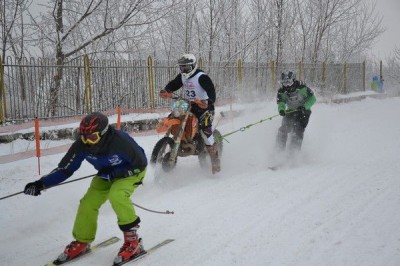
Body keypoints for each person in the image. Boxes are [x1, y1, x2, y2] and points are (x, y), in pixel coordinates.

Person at [23, 112, 148, 265]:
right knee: (88, 203)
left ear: (103, 133)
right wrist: (41, 184)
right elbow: (65, 169)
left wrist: (116, 173)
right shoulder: (81, 146)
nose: (88, 142)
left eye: (92, 137)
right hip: (105, 175)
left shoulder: (120, 141)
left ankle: (133, 242)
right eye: (83, 137)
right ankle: (82, 241)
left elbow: (141, 164)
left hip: (130, 173)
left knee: (117, 195)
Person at [159, 53, 220, 174]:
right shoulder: (182, 76)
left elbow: (211, 92)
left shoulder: (202, 77)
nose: (183, 70)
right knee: (173, 114)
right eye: (181, 67)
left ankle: (215, 161)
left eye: (186, 67)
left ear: (193, 66)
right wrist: (166, 90)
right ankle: (178, 137)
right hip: (188, 103)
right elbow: (174, 84)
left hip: (204, 107)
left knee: (205, 131)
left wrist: (207, 101)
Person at [276, 70, 316, 152]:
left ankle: (293, 154)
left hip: (303, 111)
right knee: (283, 130)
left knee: (297, 130)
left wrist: (305, 107)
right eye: (284, 83)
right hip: (290, 111)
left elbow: (313, 99)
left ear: (293, 80)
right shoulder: (281, 91)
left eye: (289, 82)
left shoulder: (302, 88)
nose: (287, 85)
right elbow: (281, 102)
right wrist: (281, 109)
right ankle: (278, 151)